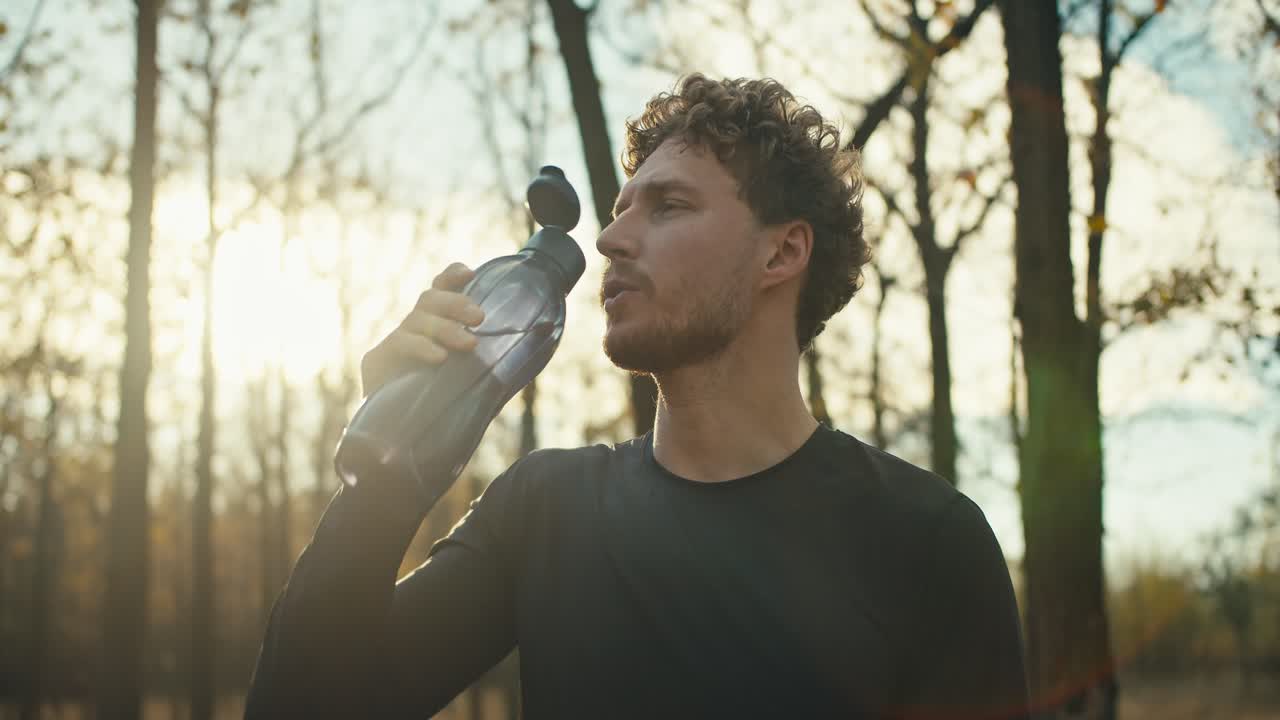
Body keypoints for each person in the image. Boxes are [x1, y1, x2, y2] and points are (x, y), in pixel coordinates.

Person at [244, 74, 1029, 719]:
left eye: (669, 207)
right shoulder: (545, 511)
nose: (613, 241)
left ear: (782, 251)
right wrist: (390, 460)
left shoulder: (927, 543)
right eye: (619, 213)